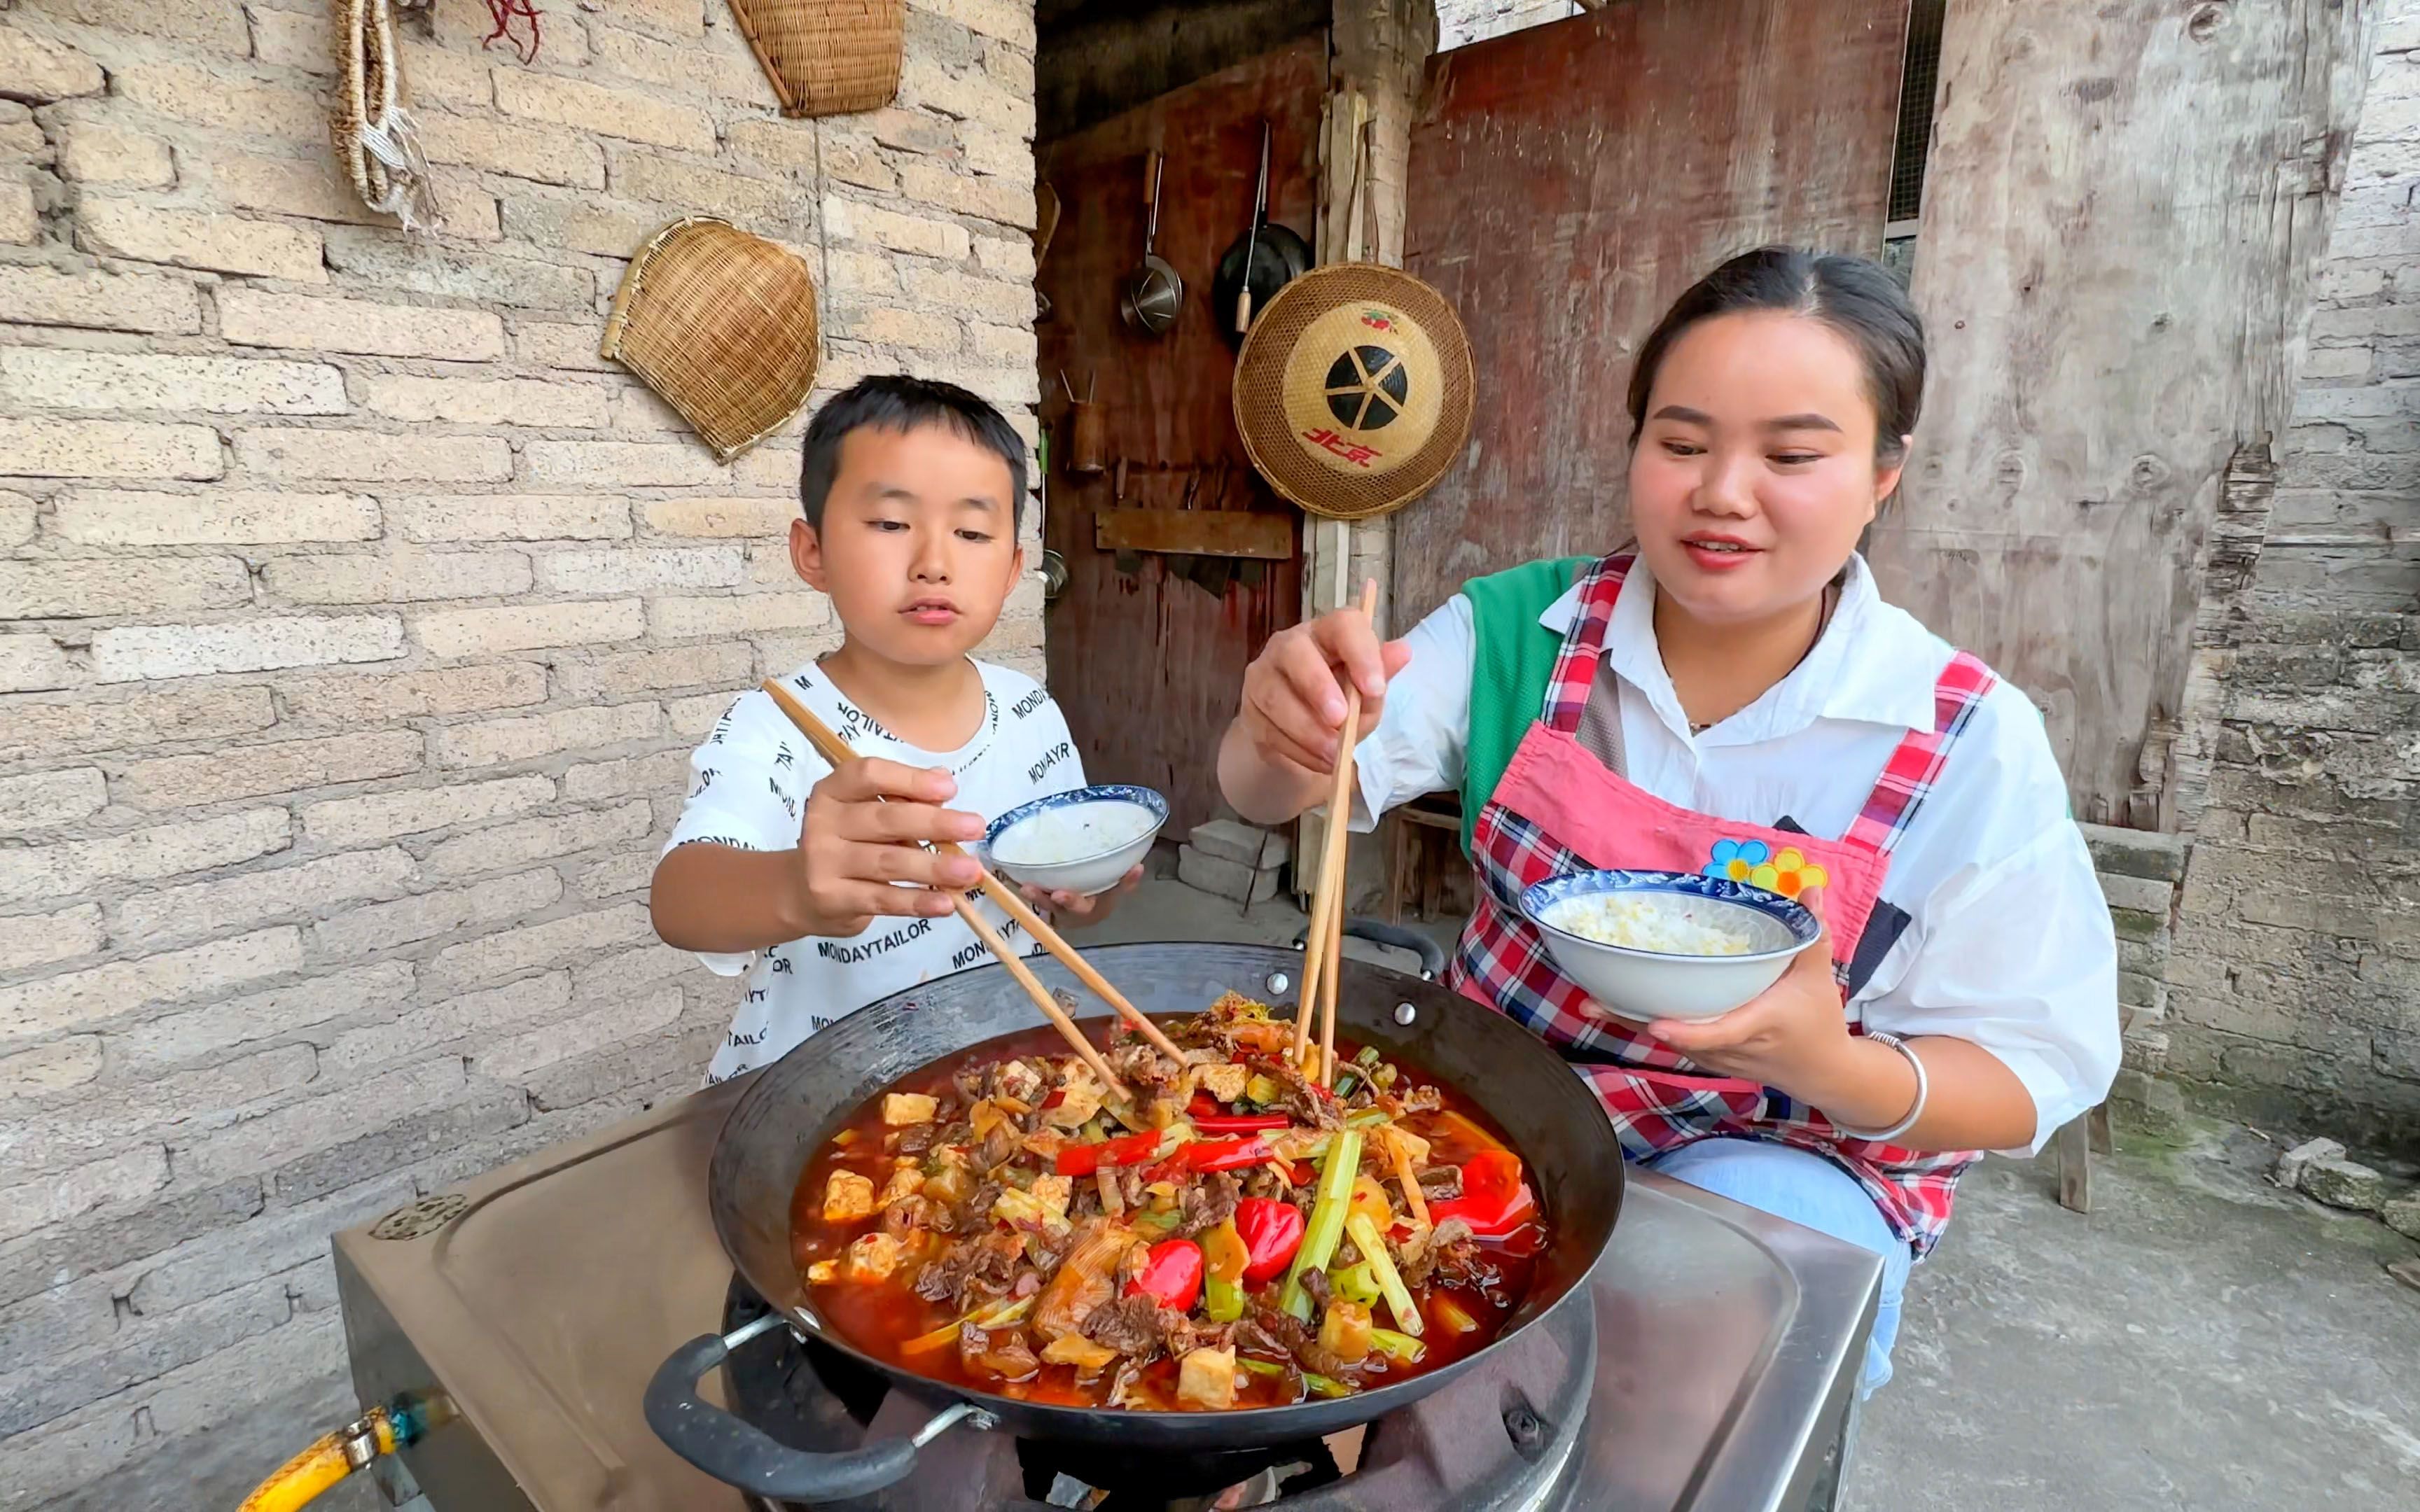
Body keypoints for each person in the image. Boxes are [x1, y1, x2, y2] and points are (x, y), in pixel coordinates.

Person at [1216, 248, 2120, 1404]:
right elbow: (1268, 796)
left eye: (1791, 454)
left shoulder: (1963, 740)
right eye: (1682, 444)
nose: (1722, 494)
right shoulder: (1513, 631)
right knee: (1332, 1338)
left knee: (1707, 1347)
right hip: (1496, 1106)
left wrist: (1827, 1063)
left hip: (1784, 1149)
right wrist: (1277, 734)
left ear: (1886, 471)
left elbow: (2030, 1069)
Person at [653, 377, 1136, 1083]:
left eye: (972, 533)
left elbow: (1063, 914)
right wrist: (797, 888)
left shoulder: (1032, 711)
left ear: (1010, 571)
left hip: (1001, 1080)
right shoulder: (781, 724)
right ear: (812, 551)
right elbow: (680, 900)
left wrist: (1097, 890)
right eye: (889, 524)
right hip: (814, 1098)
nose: (934, 562)